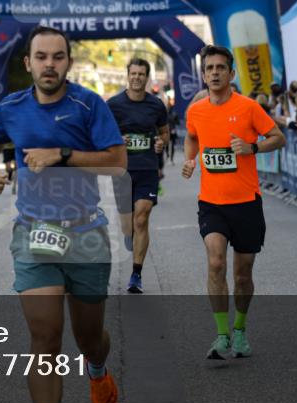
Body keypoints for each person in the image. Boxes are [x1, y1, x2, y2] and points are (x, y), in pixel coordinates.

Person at [0, 26, 126, 403]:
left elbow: (117, 162)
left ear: (68, 63)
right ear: (28, 63)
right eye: (41, 57)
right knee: (45, 336)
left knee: (88, 338)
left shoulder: (88, 105)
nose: (49, 65)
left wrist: (62, 154)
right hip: (34, 233)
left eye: (57, 57)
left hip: (85, 234)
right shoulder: (12, 107)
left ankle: (96, 368)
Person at [181, 46, 285, 360]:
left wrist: (252, 148)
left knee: (242, 274)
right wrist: (190, 160)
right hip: (211, 202)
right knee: (215, 262)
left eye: (220, 68)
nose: (214, 73)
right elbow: (192, 137)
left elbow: (278, 137)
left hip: (246, 203)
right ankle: (221, 334)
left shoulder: (249, 107)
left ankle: (239, 329)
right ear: (204, 75)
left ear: (231, 73)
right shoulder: (196, 110)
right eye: (209, 68)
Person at [107, 59, 169, 293]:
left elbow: (164, 133)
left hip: (147, 168)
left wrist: (161, 143)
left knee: (141, 218)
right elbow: (101, 134)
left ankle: (136, 274)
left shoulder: (156, 105)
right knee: (129, 224)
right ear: (127, 75)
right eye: (133, 73)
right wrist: (116, 140)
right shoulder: (113, 105)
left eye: (141, 74)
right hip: (121, 171)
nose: (137, 77)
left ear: (147, 77)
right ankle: (128, 233)